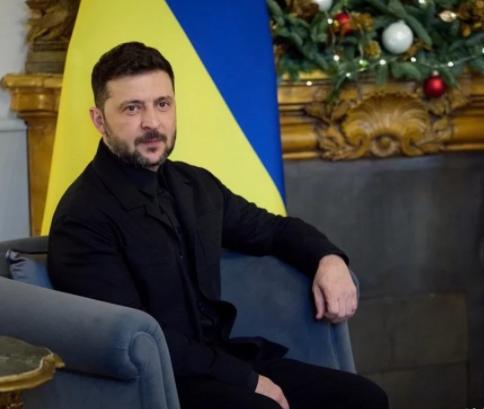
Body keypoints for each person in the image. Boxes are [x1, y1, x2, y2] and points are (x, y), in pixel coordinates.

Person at [48, 41, 388, 409]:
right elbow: (135, 340)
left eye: (162, 104)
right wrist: (247, 380)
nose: (152, 123)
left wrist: (328, 258)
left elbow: (274, 231)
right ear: (99, 120)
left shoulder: (195, 185)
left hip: (222, 360)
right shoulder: (82, 217)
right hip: (158, 382)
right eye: (132, 108)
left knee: (363, 398)